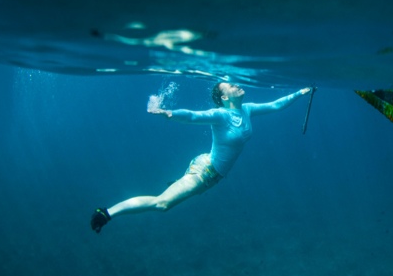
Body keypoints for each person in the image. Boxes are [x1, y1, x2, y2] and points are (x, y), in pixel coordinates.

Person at [91, 82, 312, 233]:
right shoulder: (220, 115)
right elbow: (193, 116)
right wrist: (170, 113)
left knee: (178, 195)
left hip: (211, 174)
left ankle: (180, 182)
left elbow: (275, 105)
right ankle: (106, 213)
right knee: (162, 204)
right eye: (231, 86)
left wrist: (301, 93)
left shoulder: (247, 109)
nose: (237, 85)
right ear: (224, 97)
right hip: (205, 172)